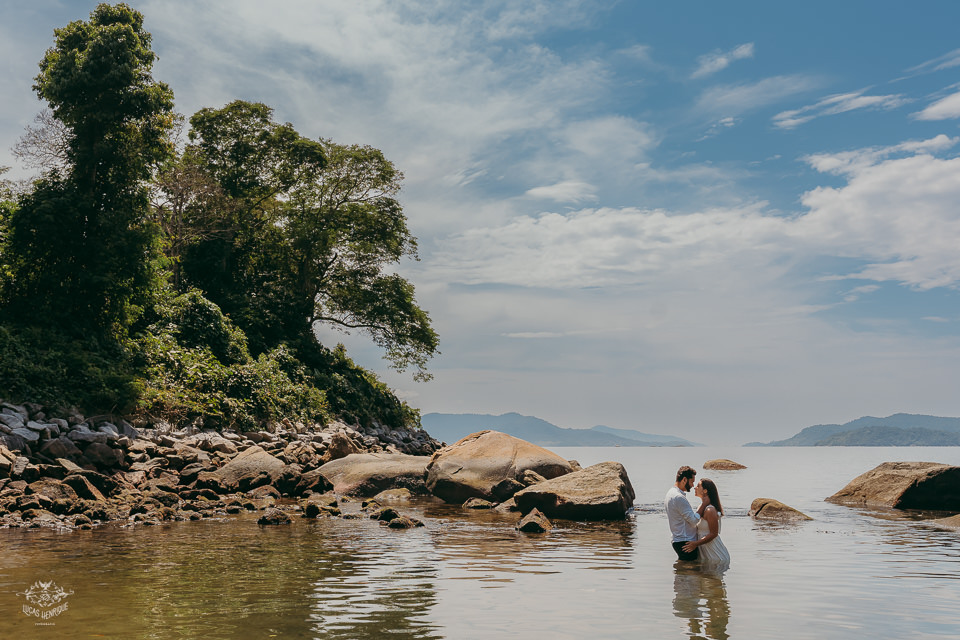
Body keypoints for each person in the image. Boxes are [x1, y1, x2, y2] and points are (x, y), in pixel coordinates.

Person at [683, 478, 731, 568]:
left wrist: (695, 544)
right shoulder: (701, 507)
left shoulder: (710, 510)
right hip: (706, 552)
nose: (695, 488)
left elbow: (714, 534)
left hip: (715, 554)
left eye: (698, 486)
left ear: (705, 491)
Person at [665, 466, 701, 561]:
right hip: (686, 542)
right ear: (684, 479)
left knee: (684, 573)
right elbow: (693, 521)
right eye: (692, 481)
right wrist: (703, 506)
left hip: (680, 540)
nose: (693, 485)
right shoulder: (678, 497)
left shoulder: (670, 493)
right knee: (690, 573)